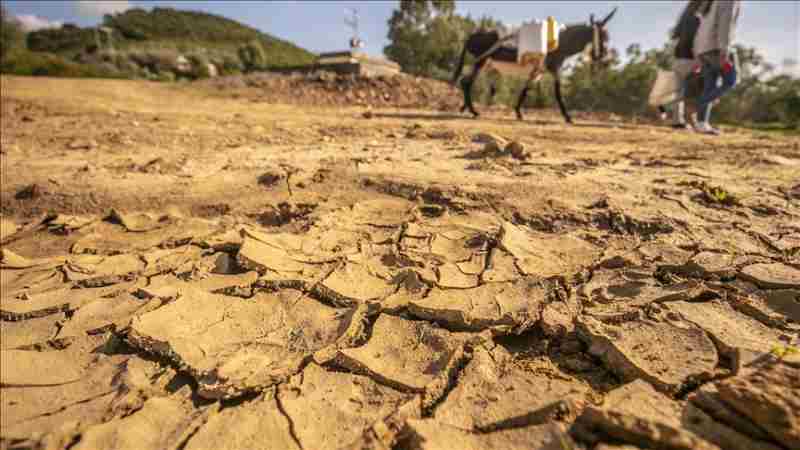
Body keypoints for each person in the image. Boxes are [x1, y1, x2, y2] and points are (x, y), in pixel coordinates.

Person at [693, 0, 742, 135]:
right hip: (716, 48)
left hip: (704, 50)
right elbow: (725, 25)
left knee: (710, 86)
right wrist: (724, 50)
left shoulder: (711, 3)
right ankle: (699, 104)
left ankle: (702, 124)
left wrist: (698, 53)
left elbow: (699, 29)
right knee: (731, 80)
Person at [660, 0, 705, 130]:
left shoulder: (684, 19)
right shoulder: (698, 20)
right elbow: (697, 41)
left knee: (679, 91)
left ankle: (676, 120)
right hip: (690, 58)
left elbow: (674, 38)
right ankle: (695, 119)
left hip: (678, 57)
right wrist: (699, 60)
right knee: (699, 89)